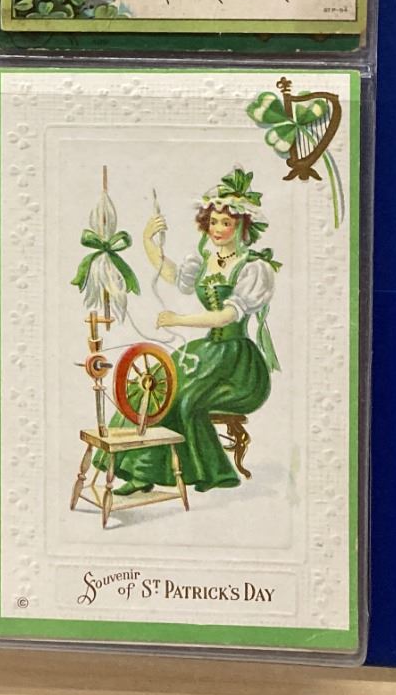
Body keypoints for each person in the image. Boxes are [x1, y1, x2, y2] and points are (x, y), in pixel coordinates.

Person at [99, 168, 280, 496]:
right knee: (151, 386)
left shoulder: (253, 268)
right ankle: (138, 472)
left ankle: (209, 471)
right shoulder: (205, 260)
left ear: (242, 226)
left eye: (226, 222)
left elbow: (225, 317)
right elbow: (171, 274)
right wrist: (147, 241)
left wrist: (177, 320)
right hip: (206, 352)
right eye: (213, 222)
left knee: (185, 399)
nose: (218, 229)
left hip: (236, 364)